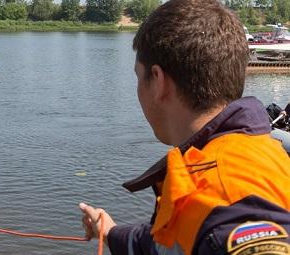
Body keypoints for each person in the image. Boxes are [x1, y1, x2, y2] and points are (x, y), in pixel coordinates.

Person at [79, 0, 290, 254]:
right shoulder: (260, 150)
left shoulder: (225, 194)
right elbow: (168, 243)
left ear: (158, 81)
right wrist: (110, 232)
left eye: (138, 77)